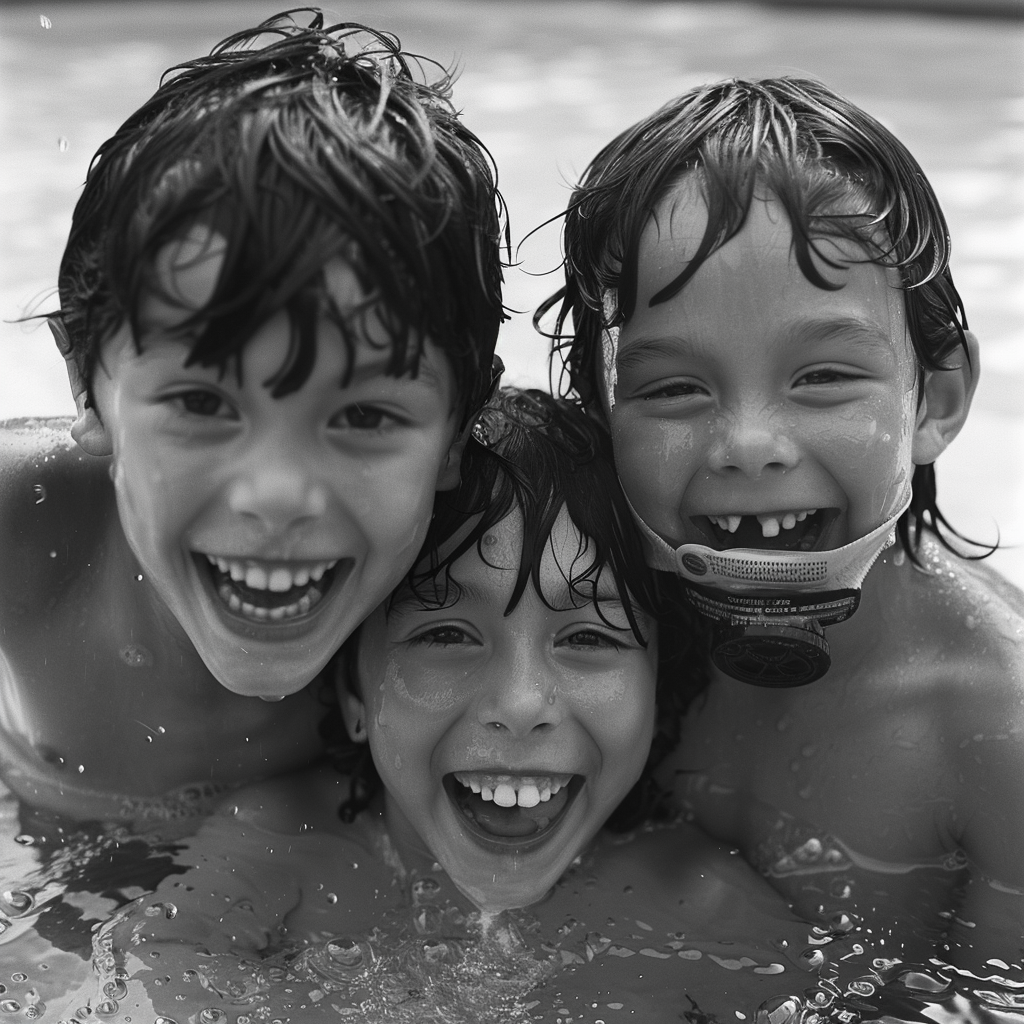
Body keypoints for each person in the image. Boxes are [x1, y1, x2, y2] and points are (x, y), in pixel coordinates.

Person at [59, 390, 819, 1023]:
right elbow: (153, 972)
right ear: (354, 690)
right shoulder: (276, 848)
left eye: (588, 636)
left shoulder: (709, 915)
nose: (521, 705)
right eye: (450, 633)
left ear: (661, 688)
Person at [540, 77, 1024, 968]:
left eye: (824, 377)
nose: (749, 445)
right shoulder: (567, 625)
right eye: (673, 388)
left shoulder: (994, 731)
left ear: (938, 400)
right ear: (599, 420)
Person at [0, 9, 506, 823]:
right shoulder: (22, 528)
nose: (275, 496)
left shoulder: (507, 583)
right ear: (84, 384)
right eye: (201, 403)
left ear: (460, 426)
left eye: (366, 417)